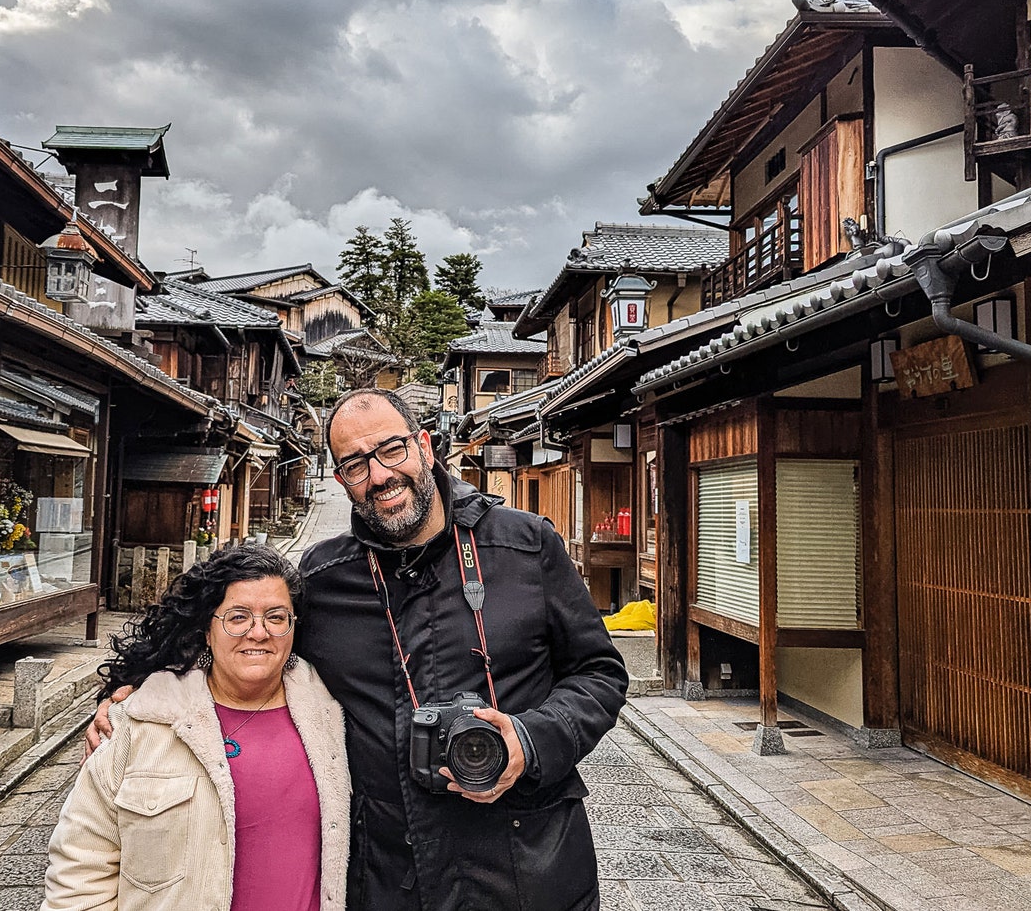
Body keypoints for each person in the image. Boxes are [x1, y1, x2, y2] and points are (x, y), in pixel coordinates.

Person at [90, 389, 628, 911]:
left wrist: (530, 741)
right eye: (354, 465)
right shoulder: (325, 580)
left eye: (392, 450)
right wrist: (139, 689)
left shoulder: (526, 544)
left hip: (530, 864)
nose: (380, 475)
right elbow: (240, 641)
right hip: (390, 874)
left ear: (424, 445)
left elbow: (599, 673)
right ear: (342, 480)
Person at [46, 543, 350, 911]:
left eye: (276, 616)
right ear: (208, 629)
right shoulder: (143, 720)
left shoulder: (331, 710)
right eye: (238, 617)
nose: (258, 632)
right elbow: (80, 866)